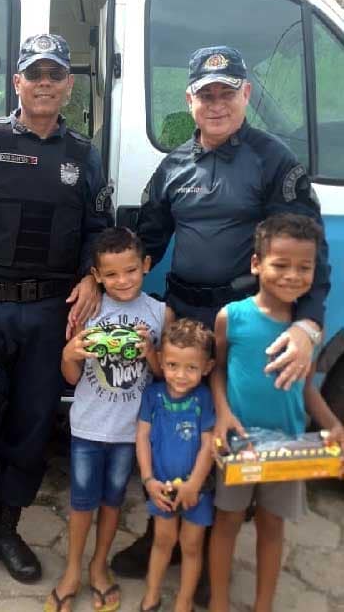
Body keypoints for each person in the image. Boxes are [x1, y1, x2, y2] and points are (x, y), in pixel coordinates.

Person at [118, 46, 331, 601]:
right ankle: (159, 529)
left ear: (246, 96)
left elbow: (311, 250)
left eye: (227, 92)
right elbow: (147, 242)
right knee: (174, 423)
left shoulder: (272, 160)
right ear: (189, 100)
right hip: (185, 317)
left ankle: (211, 551)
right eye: (205, 93)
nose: (216, 103)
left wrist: (308, 326)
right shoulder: (173, 166)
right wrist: (103, 283)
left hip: (239, 325)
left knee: (224, 428)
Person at [0, 33, 111, 600]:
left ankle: (5, 532)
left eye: (55, 75)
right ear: (18, 83)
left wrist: (90, 275)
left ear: (68, 86)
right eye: (34, 74)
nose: (44, 84)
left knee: (31, 430)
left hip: (50, 317)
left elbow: (98, 231)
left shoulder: (84, 155)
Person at [208, 214, 343, 612]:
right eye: (280, 264)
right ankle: (217, 602)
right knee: (227, 523)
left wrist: (333, 424)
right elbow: (216, 370)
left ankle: (262, 605)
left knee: (272, 527)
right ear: (256, 264)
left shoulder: (305, 333)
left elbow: (303, 388)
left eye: (304, 268)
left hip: (287, 445)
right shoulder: (231, 317)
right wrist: (221, 414)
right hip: (239, 442)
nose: (291, 276)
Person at [48, 227, 169, 612]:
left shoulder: (158, 312)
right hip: (86, 426)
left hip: (130, 431)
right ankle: (72, 571)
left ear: (146, 266)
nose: (123, 281)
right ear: (97, 275)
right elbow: (70, 376)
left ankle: (100, 567)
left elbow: (165, 374)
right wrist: (69, 352)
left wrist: (149, 350)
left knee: (113, 501)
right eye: (112, 274)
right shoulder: (89, 309)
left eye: (131, 270)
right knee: (82, 502)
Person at [134, 319, 217, 612]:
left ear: (206, 367)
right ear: (160, 361)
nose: (180, 375)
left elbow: (209, 444)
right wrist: (148, 481)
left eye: (191, 367)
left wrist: (195, 483)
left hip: (197, 489)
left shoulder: (204, 399)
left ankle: (183, 602)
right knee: (162, 540)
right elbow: (142, 437)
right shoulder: (153, 395)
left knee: (192, 546)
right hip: (161, 488)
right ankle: (152, 594)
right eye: (172, 365)